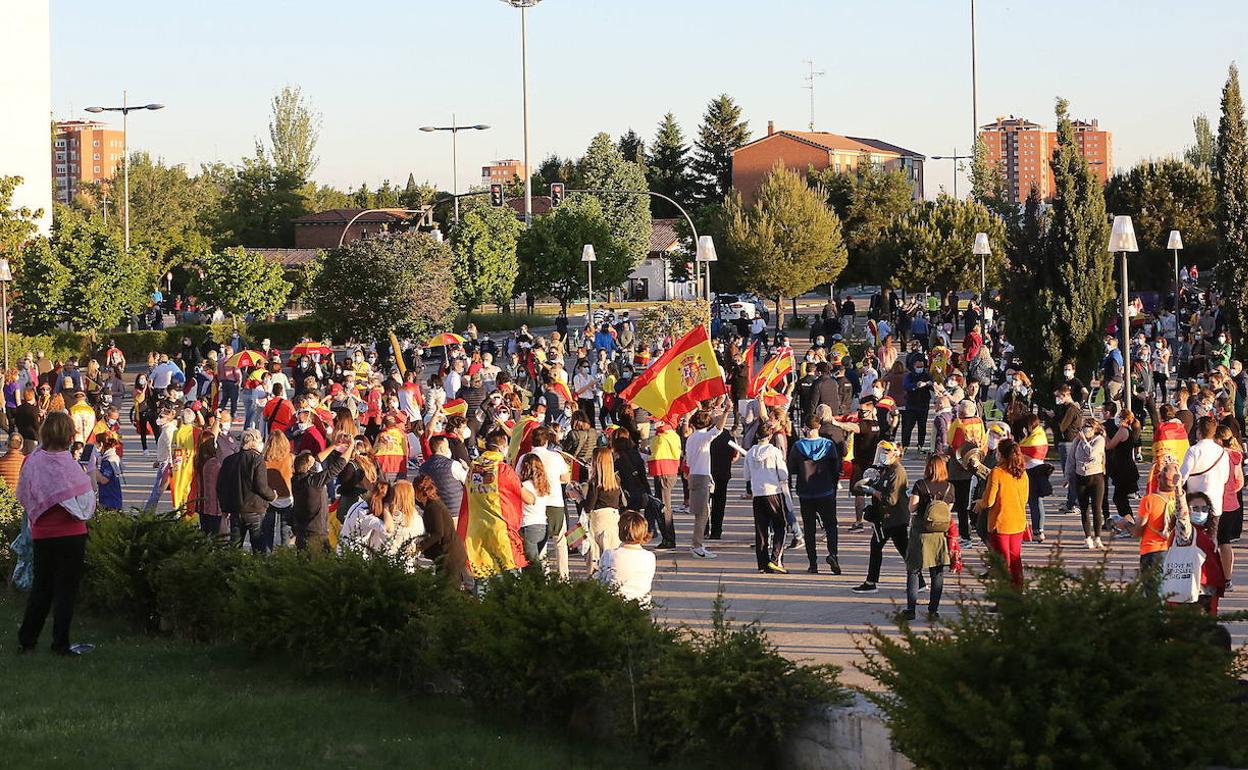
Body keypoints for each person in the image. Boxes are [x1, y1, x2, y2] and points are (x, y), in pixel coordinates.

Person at [16, 412, 96, 655]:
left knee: (42, 587)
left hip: (43, 533)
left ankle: (27, 641)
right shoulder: (69, 465)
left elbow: (24, 494)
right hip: (72, 534)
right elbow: (85, 499)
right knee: (66, 590)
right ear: (69, 436)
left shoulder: (32, 461)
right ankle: (60, 643)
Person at [457, 429, 527, 581]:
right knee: (509, 575)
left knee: (482, 575)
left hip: (477, 532)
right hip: (500, 531)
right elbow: (527, 497)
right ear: (502, 447)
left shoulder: (473, 469)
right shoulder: (504, 470)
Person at [902, 455, 954, 621]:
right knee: (937, 572)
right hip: (939, 534)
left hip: (920, 532)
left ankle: (911, 609)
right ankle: (933, 610)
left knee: (913, 570)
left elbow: (912, 508)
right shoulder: (949, 487)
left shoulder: (920, 485)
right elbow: (947, 511)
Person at [852, 441, 909, 593]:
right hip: (888, 518)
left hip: (893, 518)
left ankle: (871, 582)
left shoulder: (897, 472)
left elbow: (891, 499)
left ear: (895, 453)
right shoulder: (888, 470)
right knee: (903, 550)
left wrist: (872, 491)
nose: (882, 456)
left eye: (886, 452)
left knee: (882, 547)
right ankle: (919, 582)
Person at [789, 415, 842, 574]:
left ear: (805, 428)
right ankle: (833, 554)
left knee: (809, 528)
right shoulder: (829, 445)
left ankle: (813, 563)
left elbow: (791, 469)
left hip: (806, 492)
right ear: (818, 427)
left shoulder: (797, 447)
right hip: (825, 490)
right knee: (831, 525)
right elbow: (836, 468)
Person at [979, 439, 1029, 588]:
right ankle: (1017, 593)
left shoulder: (997, 472)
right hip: (1018, 523)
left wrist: (979, 503)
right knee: (1015, 560)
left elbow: (989, 501)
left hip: (1000, 524)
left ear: (1000, 454)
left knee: (1002, 563)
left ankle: (1004, 598)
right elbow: (1025, 499)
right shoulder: (1022, 473)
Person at [218, 429, 278, 552]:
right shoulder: (257, 459)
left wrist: (224, 507)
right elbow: (261, 486)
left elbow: (221, 486)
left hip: (235, 509)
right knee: (258, 548)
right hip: (254, 509)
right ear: (255, 442)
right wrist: (272, 496)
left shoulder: (229, 460)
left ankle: (234, 569)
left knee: (234, 547)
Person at [746, 420, 794, 574]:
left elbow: (746, 475)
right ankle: (775, 559)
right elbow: (783, 473)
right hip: (773, 492)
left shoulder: (750, 453)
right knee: (780, 525)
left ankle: (762, 563)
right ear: (770, 435)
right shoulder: (774, 452)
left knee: (761, 530)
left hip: (757, 494)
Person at [290, 439, 352, 552]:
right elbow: (337, 467)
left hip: (302, 532)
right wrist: (351, 447)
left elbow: (317, 460)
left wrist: (334, 445)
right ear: (309, 468)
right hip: (315, 534)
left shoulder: (296, 480)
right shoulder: (312, 482)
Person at [684, 403, 728, 559]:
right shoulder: (703, 438)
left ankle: (698, 543)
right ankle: (696, 545)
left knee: (702, 513)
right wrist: (726, 412)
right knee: (702, 514)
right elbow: (718, 430)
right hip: (701, 477)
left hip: (695, 475)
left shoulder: (691, 439)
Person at [411, 474, 468, 586]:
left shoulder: (433, 507)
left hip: (449, 555)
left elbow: (437, 533)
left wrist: (419, 547)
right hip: (448, 553)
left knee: (448, 590)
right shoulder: (432, 504)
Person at [596, 511, 657, 605]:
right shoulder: (650, 557)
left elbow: (600, 581)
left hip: (615, 605)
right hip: (641, 605)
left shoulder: (610, 554)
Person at [1066, 418, 1107, 550]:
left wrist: (1084, 440)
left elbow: (1092, 454)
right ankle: (1087, 537)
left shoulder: (1099, 440)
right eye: (1084, 426)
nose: (1086, 429)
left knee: (1096, 508)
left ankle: (1098, 537)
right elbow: (1071, 458)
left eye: (1089, 426)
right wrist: (1068, 476)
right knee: (1084, 509)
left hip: (1096, 477)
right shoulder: (1077, 440)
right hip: (1081, 476)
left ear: (1095, 428)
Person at [583, 446, 624, 575]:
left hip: (598, 519)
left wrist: (579, 498)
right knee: (610, 551)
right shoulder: (616, 480)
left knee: (595, 551)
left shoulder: (595, 482)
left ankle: (595, 575)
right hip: (612, 518)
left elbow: (589, 506)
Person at [517, 453, 552, 569]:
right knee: (536, 560)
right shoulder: (544, 485)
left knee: (531, 566)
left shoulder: (524, 486)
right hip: (543, 525)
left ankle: (538, 585)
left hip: (528, 525)